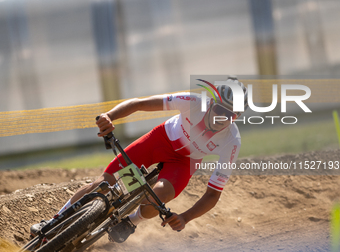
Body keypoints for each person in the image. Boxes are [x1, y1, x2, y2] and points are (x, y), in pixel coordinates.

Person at [30, 77, 248, 243]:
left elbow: (212, 194)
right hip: (159, 141)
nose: (223, 119)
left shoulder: (232, 141)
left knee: (158, 199)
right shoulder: (192, 102)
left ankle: (131, 221)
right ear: (211, 102)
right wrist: (109, 116)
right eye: (220, 111)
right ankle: (53, 221)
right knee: (103, 185)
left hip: (183, 163)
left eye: (231, 116)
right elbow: (138, 104)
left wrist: (185, 217)